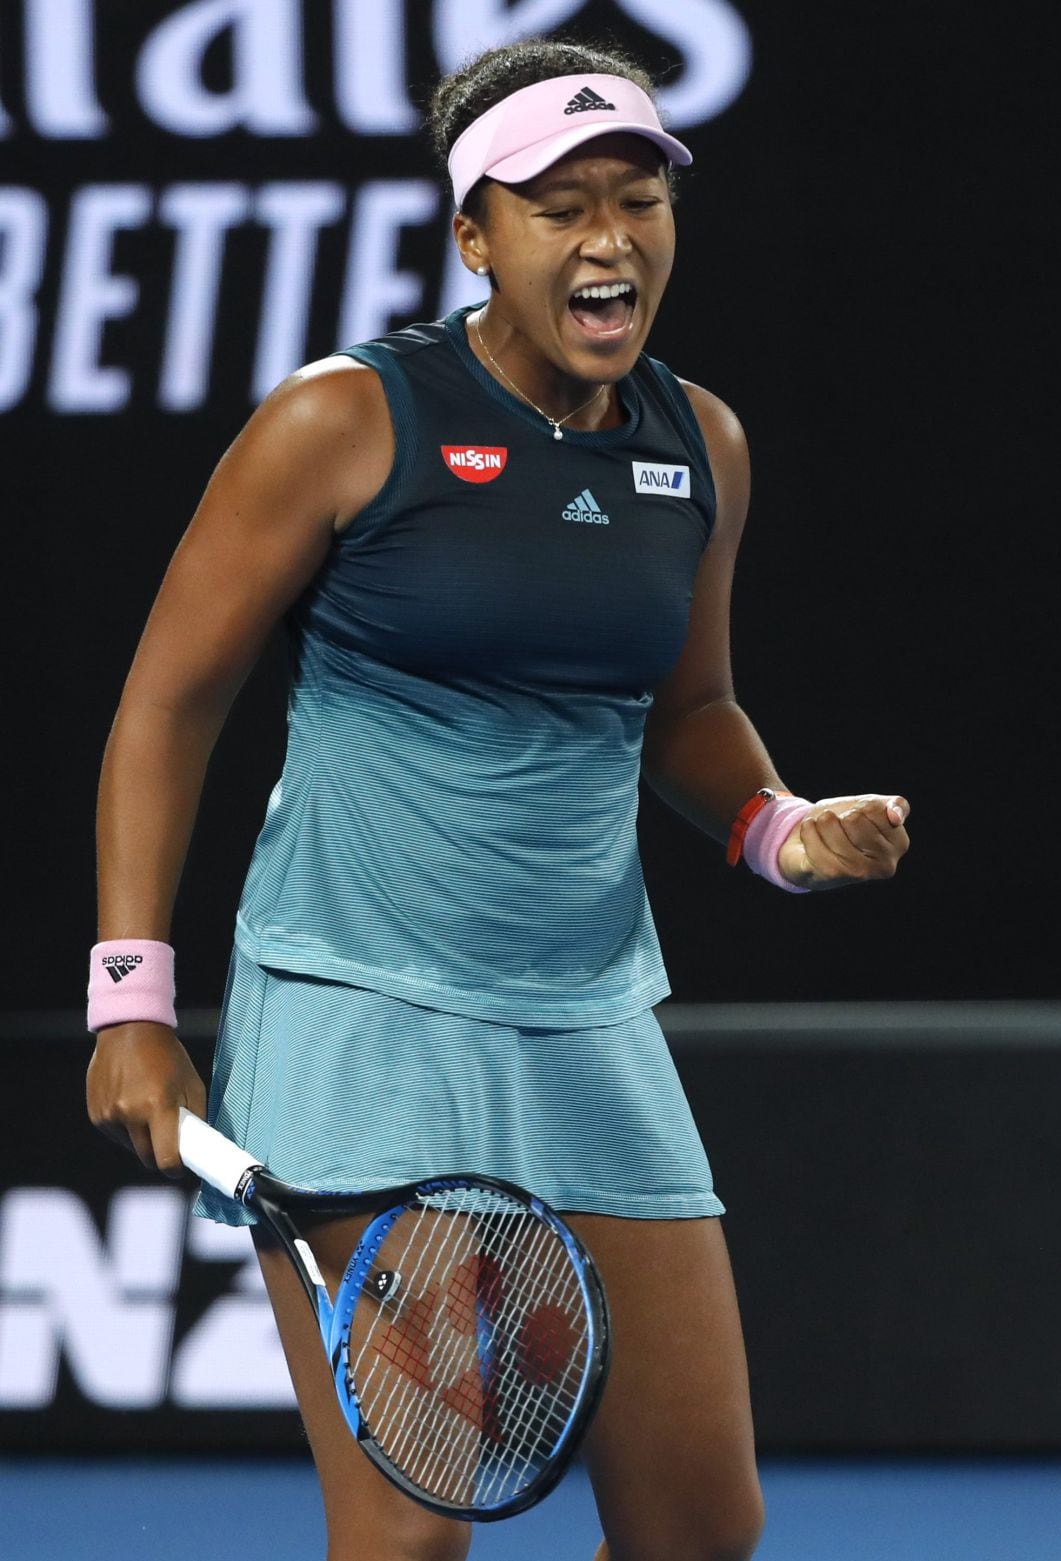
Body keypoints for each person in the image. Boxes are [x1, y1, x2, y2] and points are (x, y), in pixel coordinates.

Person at [86, 36, 910, 1561]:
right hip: (359, 1009)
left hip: (586, 1018)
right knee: (408, 1535)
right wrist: (131, 995)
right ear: (475, 233)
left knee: (700, 1528)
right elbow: (168, 700)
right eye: (559, 205)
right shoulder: (346, 420)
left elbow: (691, 713)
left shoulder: (700, 445)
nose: (610, 239)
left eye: (639, 201)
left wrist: (789, 830)